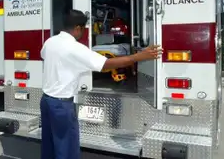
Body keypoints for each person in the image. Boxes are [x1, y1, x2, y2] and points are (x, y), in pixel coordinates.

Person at [40, 9, 163, 159]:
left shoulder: (50, 42)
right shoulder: (74, 48)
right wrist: (138, 56)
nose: (83, 33)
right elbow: (105, 64)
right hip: (61, 106)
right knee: (66, 150)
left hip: (46, 101)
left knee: (50, 146)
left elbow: (45, 56)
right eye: (84, 29)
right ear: (78, 28)